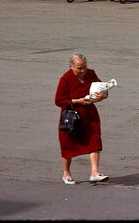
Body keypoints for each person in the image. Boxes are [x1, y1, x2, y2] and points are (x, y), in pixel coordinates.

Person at [54, 53, 109, 184]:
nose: (83, 71)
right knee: (68, 145)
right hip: (71, 115)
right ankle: (66, 173)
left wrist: (102, 96)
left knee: (94, 140)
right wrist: (78, 101)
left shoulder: (91, 73)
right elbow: (59, 100)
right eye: (79, 68)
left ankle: (95, 172)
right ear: (72, 66)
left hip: (89, 113)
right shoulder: (65, 78)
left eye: (84, 67)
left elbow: (103, 89)